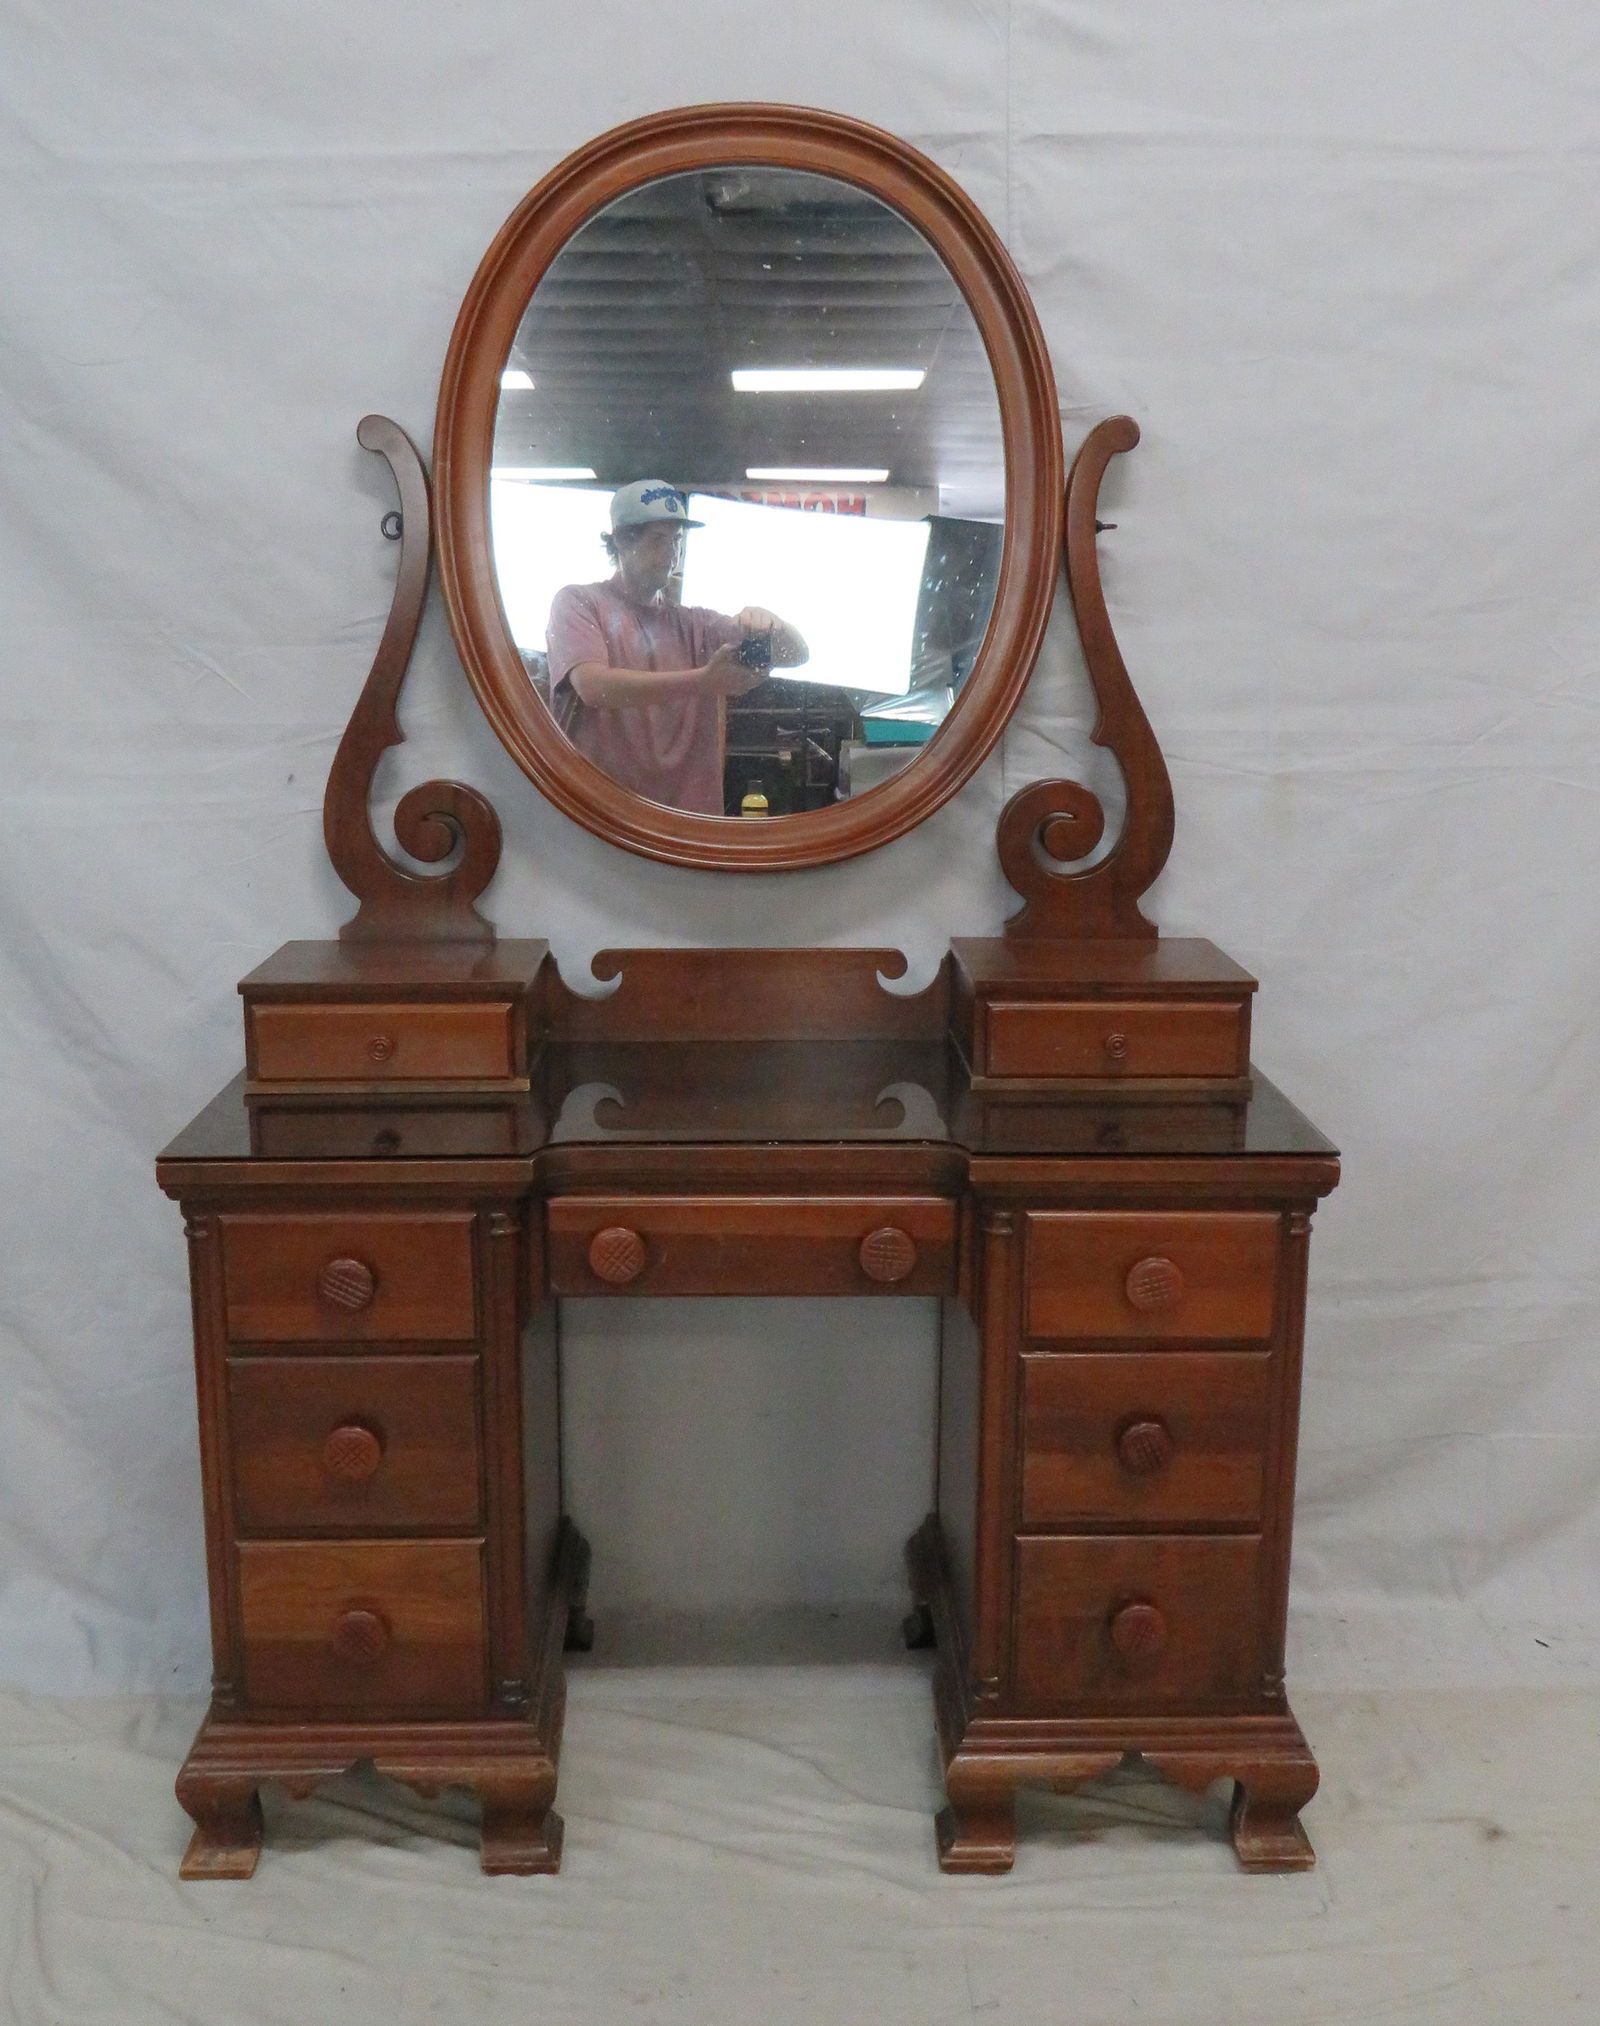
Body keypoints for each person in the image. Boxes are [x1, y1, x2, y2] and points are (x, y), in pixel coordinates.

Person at [545, 480, 807, 814]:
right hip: (599, 822)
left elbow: (797, 655)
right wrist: (703, 681)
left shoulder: (697, 624)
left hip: (686, 828)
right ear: (622, 541)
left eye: (677, 540)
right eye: (659, 539)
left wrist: (775, 625)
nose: (672, 553)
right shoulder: (578, 602)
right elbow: (594, 687)